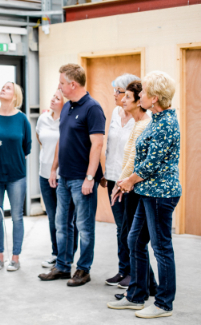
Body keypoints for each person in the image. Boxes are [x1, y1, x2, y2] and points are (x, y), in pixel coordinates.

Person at [107, 71, 181, 319]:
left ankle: (163, 304)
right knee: (135, 241)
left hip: (161, 195)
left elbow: (150, 164)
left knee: (161, 248)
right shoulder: (157, 120)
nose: (141, 97)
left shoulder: (167, 123)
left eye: (145, 93)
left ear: (156, 98)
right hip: (147, 192)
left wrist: (128, 181)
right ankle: (136, 296)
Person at [38, 63, 106, 287]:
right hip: (64, 177)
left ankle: (83, 269)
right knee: (62, 224)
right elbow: (61, 140)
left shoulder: (92, 108)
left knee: (84, 226)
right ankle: (63, 265)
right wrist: (54, 168)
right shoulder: (67, 107)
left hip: (81, 179)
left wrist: (89, 178)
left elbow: (97, 145)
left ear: (73, 84)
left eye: (61, 83)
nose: (59, 87)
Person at [111, 80, 157, 299]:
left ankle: (140, 287)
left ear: (140, 101)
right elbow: (129, 159)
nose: (123, 99)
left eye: (128, 97)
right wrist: (120, 183)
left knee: (134, 240)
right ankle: (150, 285)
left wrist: (121, 184)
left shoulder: (144, 124)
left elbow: (133, 163)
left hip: (135, 189)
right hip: (129, 186)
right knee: (133, 240)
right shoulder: (138, 124)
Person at [0, 82, 32, 272]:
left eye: (8, 88)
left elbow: (26, 147)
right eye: (2, 87)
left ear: (15, 96)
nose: (3, 89)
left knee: (17, 217)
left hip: (17, 175)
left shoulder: (22, 119)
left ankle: (15, 258)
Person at [101, 74, 138, 288]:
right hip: (113, 178)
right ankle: (123, 269)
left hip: (128, 182)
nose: (115, 95)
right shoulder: (115, 112)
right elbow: (110, 146)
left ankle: (134, 272)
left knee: (129, 228)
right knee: (120, 227)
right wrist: (106, 173)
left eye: (118, 91)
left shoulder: (141, 118)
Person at [36, 89, 78, 269]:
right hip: (44, 174)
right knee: (52, 217)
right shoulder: (43, 119)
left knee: (66, 219)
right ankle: (56, 253)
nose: (53, 99)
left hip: (63, 176)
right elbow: (41, 140)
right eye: (52, 96)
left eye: (57, 98)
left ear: (65, 102)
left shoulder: (68, 120)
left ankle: (67, 255)